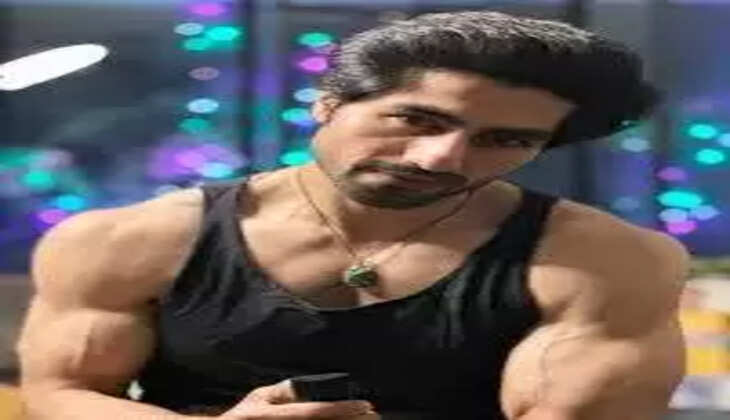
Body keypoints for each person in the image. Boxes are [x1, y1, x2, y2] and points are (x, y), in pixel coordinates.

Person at [16, 10, 688, 420]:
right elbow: (60, 394)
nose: (440, 158)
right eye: (416, 119)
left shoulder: (605, 260)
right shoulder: (129, 239)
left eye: (504, 140)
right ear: (328, 103)